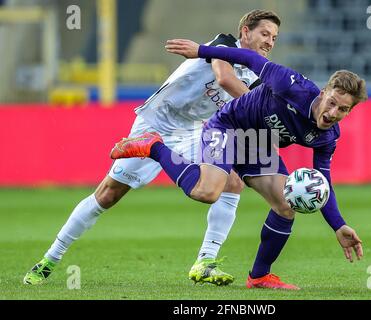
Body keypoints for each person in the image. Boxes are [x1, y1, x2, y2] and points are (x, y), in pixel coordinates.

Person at [23, 10, 281, 286]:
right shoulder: (224, 46)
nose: (269, 42)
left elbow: (250, 111)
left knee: (231, 181)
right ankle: (50, 259)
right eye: (264, 34)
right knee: (107, 195)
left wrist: (268, 134)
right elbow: (225, 80)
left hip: (193, 130)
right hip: (156, 123)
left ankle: (205, 261)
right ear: (245, 31)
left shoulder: (257, 73)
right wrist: (260, 109)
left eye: (274, 38)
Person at [110, 39, 367, 290]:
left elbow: (324, 184)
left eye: (343, 110)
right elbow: (250, 59)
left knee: (286, 206)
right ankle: (153, 146)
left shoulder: (328, 137)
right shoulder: (291, 85)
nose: (333, 113)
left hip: (257, 144)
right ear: (323, 94)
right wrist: (200, 50)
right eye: (332, 103)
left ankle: (259, 277)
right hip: (228, 126)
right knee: (207, 192)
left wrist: (338, 225)